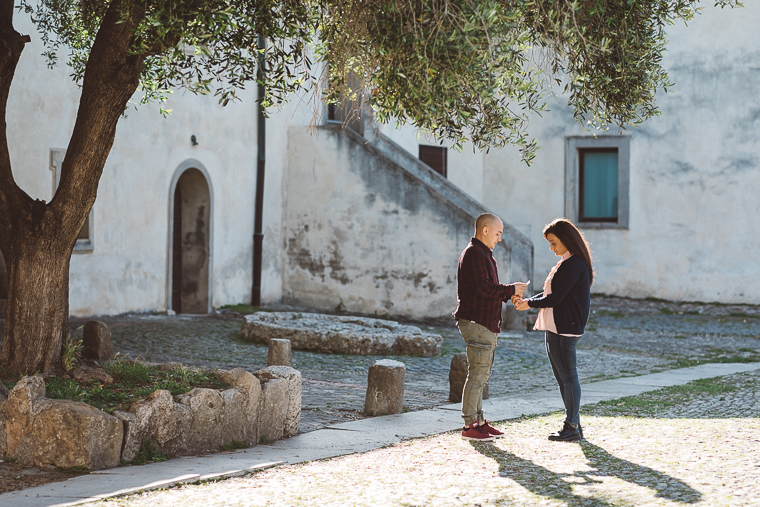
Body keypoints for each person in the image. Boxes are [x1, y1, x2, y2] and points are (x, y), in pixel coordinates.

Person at [512, 218, 593, 442]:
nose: (551, 247)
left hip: (566, 326)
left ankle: (572, 425)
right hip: (555, 324)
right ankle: (573, 422)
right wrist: (528, 301)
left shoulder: (574, 264)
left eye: (554, 242)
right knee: (562, 378)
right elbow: (552, 295)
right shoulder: (565, 263)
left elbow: (556, 298)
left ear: (566, 240)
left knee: (568, 377)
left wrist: (528, 303)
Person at [454, 213, 528, 441]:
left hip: (485, 322)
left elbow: (489, 290)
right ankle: (469, 426)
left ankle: (479, 422)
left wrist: (510, 296)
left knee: (481, 375)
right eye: (498, 233)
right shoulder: (474, 253)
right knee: (477, 376)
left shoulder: (483, 254)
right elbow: (483, 289)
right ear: (485, 230)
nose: (499, 238)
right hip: (477, 323)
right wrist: (511, 290)